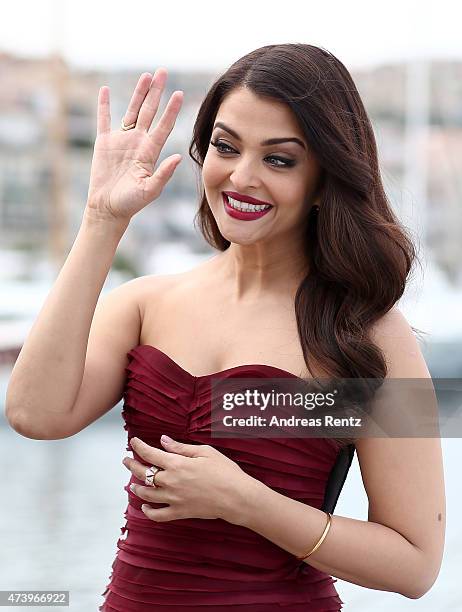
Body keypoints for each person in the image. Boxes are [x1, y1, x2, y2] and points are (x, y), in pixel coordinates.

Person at [6, 44, 445, 611]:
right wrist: (102, 219)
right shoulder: (145, 304)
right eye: (225, 146)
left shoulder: (368, 333)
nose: (241, 177)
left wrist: (243, 501)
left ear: (324, 178)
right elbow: (34, 414)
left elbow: (415, 564)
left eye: (279, 159)